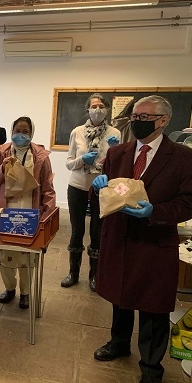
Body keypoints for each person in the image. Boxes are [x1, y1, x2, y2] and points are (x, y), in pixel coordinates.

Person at [92, 95, 192, 383]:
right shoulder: (118, 153)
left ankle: (152, 370)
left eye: (145, 117)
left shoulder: (184, 158)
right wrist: (99, 185)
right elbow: (106, 198)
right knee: (120, 296)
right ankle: (118, 343)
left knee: (153, 307)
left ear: (163, 120)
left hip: (155, 242)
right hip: (120, 238)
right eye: (135, 117)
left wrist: (155, 212)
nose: (138, 122)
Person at [0, 117, 55, 308]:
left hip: (30, 212)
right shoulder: (2, 152)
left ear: (31, 133)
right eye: (17, 130)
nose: (20, 134)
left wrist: (46, 216)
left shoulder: (40, 156)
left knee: (27, 255)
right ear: (11, 130)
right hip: (5, 212)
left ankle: (25, 293)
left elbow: (48, 188)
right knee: (5, 252)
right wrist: (2, 167)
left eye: (25, 131)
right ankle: (9, 288)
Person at [61, 93, 121, 291]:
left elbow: (119, 165)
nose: (98, 109)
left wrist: (115, 150)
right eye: (94, 106)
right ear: (87, 109)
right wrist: (82, 160)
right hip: (77, 186)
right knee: (77, 230)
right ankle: (73, 273)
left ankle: (95, 276)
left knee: (98, 231)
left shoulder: (115, 133)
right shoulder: (77, 132)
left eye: (101, 106)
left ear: (107, 110)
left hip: (101, 188)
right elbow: (69, 163)